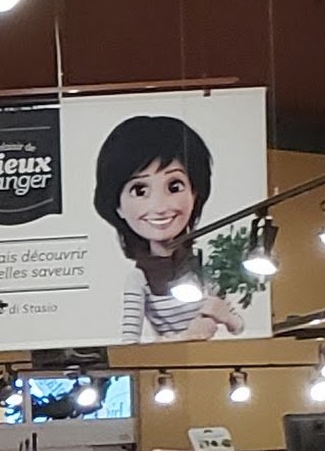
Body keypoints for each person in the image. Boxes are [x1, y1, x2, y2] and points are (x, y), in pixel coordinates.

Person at [93, 114, 246, 343]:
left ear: (194, 193)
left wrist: (224, 315)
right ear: (118, 206)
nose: (160, 207)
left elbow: (239, 326)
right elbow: (129, 345)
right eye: (140, 190)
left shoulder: (203, 264)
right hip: (172, 361)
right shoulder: (139, 279)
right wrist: (185, 337)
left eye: (174, 186)